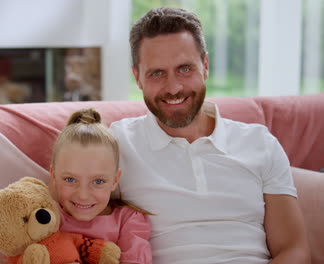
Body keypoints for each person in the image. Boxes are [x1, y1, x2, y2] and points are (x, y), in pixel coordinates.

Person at [109, 7, 311, 264]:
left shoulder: (260, 143)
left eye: (184, 69)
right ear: (137, 77)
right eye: (157, 73)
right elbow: (65, 192)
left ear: (205, 66)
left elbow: (293, 249)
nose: (173, 88)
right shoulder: (117, 143)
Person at [50, 108, 152, 264]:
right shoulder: (45, 217)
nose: (83, 195)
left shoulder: (128, 221)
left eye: (98, 181)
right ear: (53, 175)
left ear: (115, 180)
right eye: (70, 179)